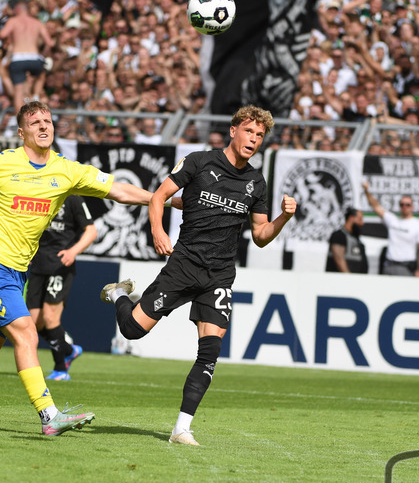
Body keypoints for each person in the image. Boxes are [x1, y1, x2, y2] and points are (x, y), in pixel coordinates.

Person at [0, 100, 155, 435]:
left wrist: (164, 198)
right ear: (21, 132)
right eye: (35, 122)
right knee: (28, 333)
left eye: (48, 121)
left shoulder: (66, 170)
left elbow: (119, 190)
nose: (44, 126)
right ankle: (49, 416)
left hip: (18, 274)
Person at [99, 105, 298, 447]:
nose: (254, 139)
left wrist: (283, 218)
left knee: (210, 352)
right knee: (132, 330)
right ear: (233, 130)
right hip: (184, 264)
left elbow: (261, 236)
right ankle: (119, 294)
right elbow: (159, 197)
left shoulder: (256, 182)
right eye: (249, 131)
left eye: (260, 135)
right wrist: (158, 231)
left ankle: (181, 429)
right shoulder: (198, 162)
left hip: (219, 275)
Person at [27, 194, 98, 381]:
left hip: (60, 266)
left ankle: (61, 369)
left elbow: (91, 231)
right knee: (33, 322)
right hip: (37, 265)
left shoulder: (73, 198)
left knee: (50, 317)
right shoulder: (40, 192)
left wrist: (73, 251)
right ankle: (68, 350)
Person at [362, 182, 419, 277]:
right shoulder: (393, 220)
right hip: (389, 265)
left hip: (406, 267)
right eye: (402, 204)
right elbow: (376, 206)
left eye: (408, 205)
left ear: (412, 207)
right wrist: (366, 191)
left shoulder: (418, 225)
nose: (404, 207)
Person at [0, 0, 52, 107]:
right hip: (34, 57)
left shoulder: (13, 21)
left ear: (17, 10)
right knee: (41, 73)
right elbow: (49, 43)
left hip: (18, 58)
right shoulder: (37, 22)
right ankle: (36, 95)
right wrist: (43, 54)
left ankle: (19, 117)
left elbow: (2, 35)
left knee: (18, 92)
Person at [326, 206, 367, 273]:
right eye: (360, 219)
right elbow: (339, 259)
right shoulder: (339, 236)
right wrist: (348, 277)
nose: (362, 223)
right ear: (351, 218)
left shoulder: (355, 239)